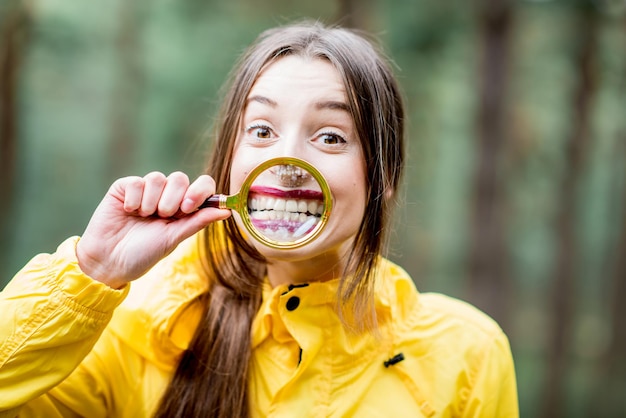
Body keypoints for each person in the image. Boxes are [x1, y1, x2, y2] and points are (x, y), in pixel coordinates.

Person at [0, 21, 518, 417]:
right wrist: (90, 271)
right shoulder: (138, 323)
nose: (289, 164)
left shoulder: (465, 355)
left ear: (384, 178)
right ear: (230, 160)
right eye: (263, 131)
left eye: (330, 136)